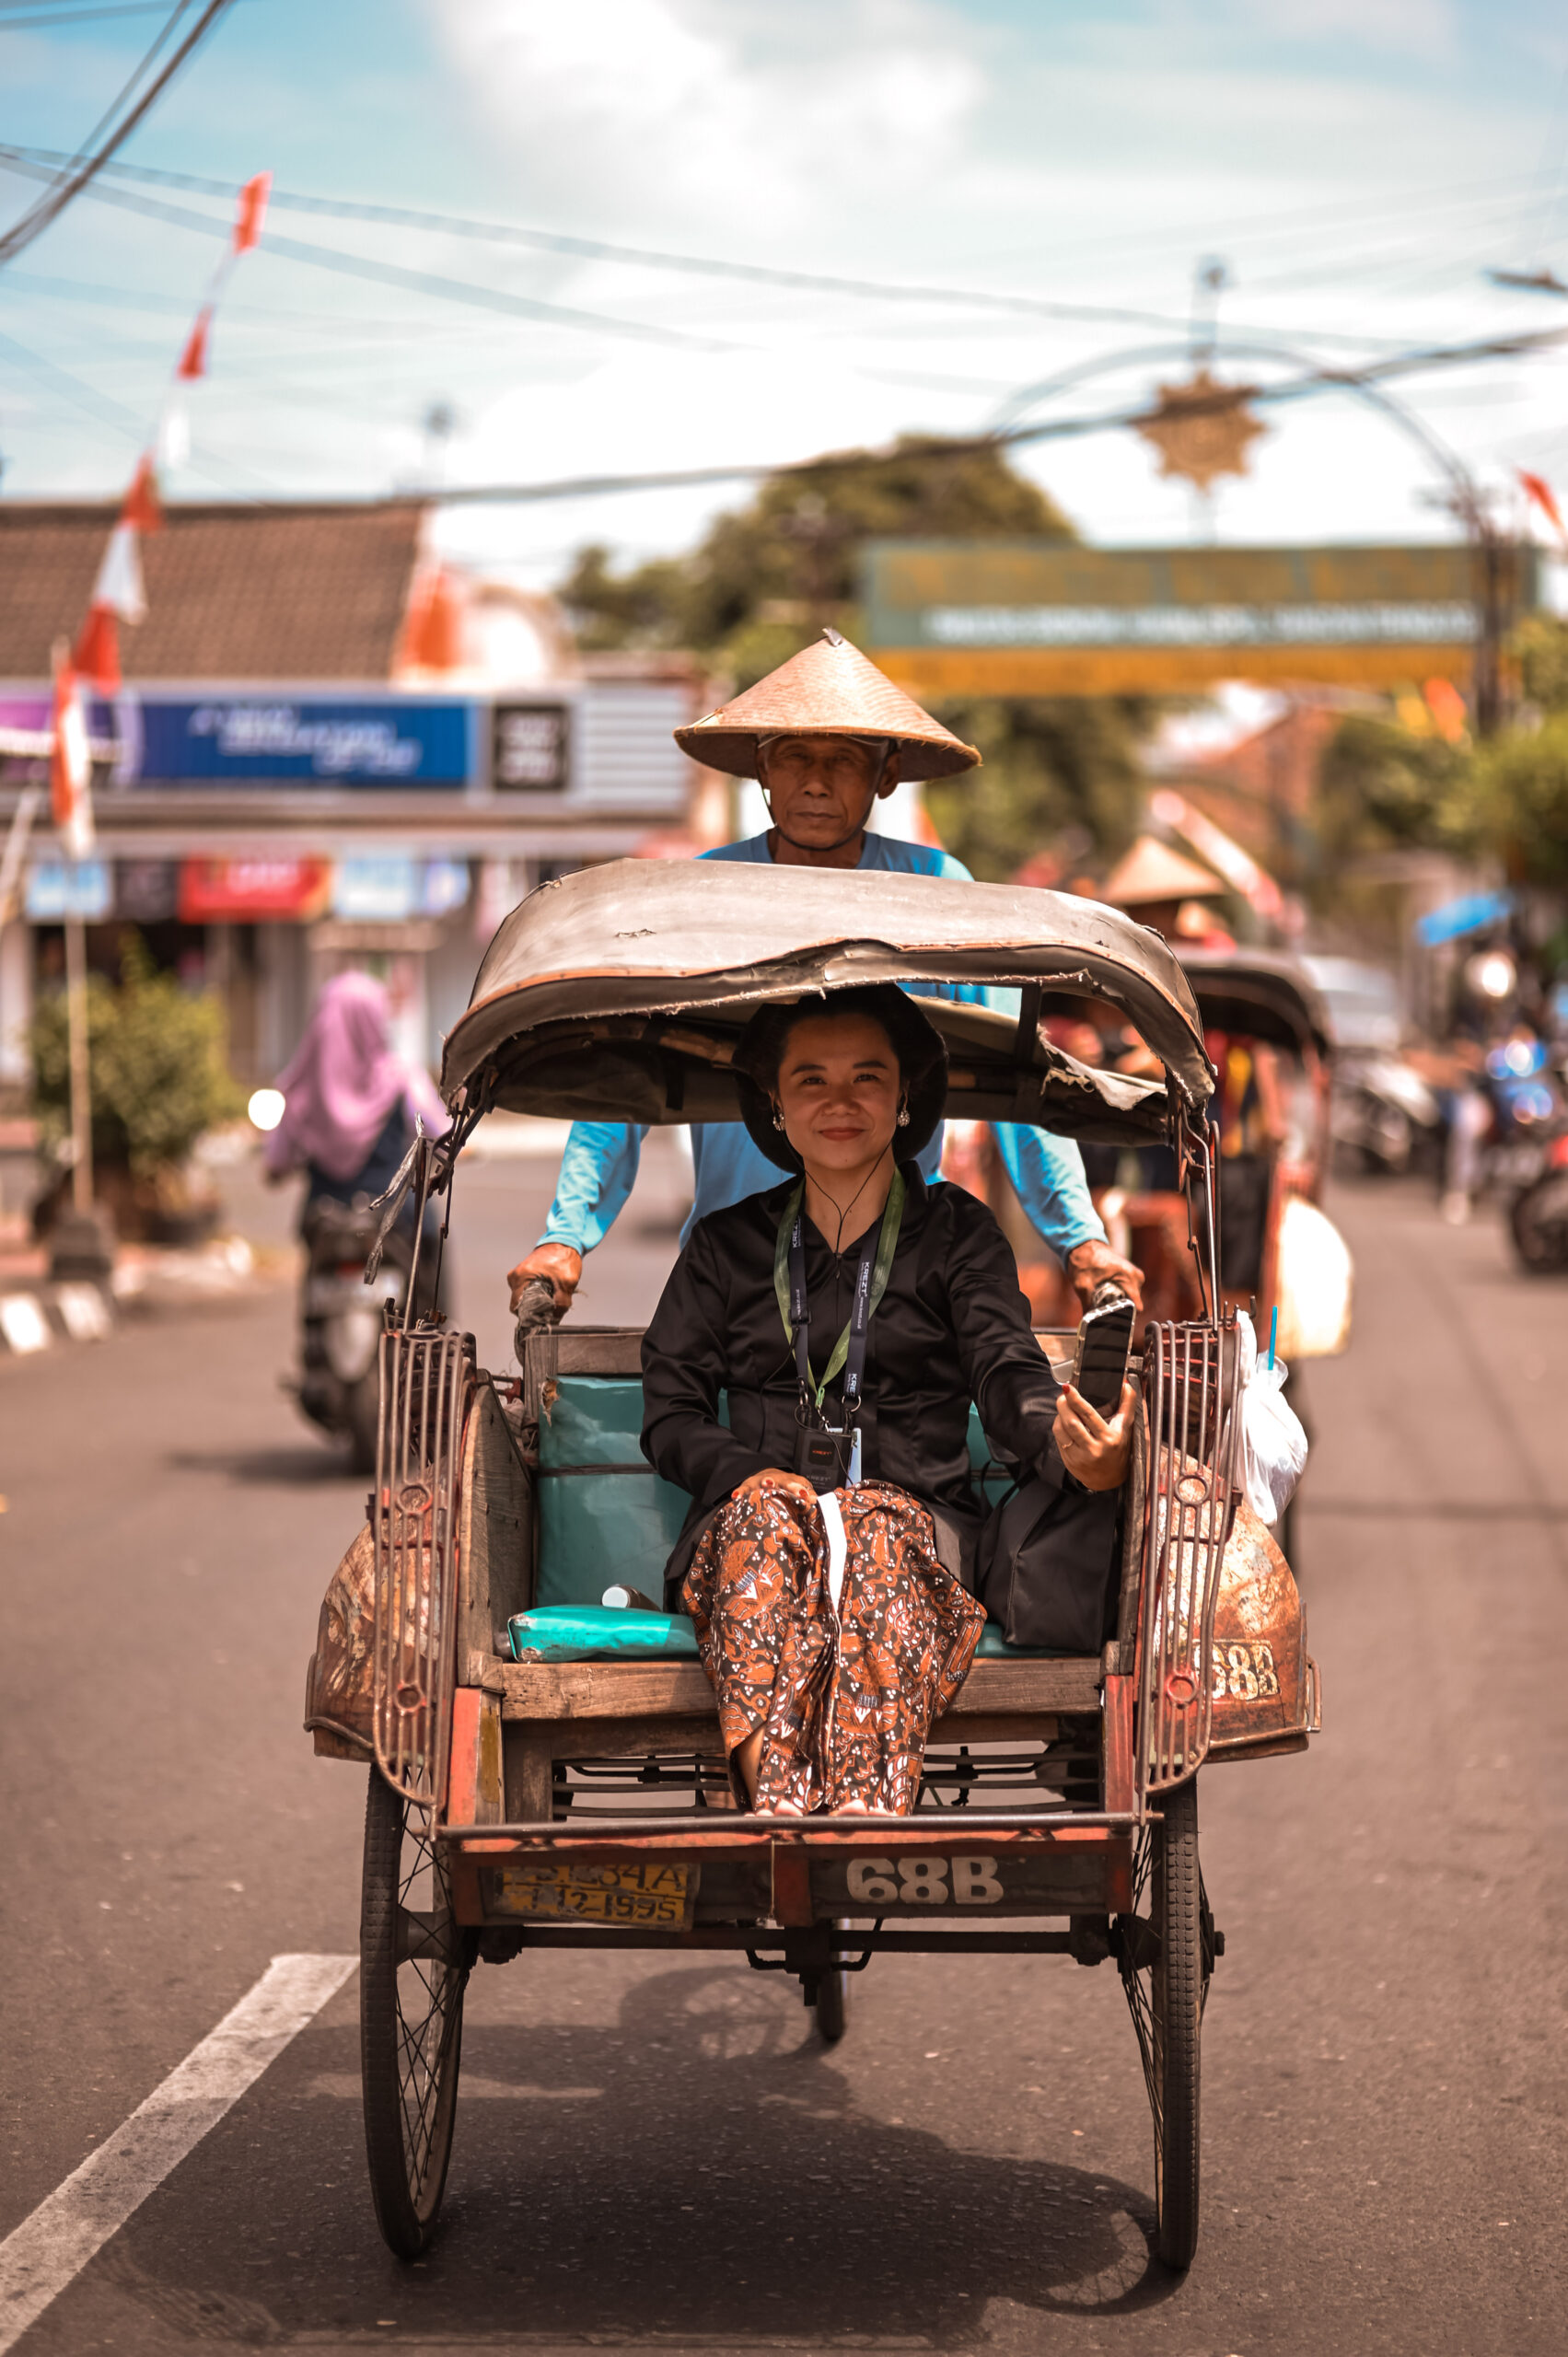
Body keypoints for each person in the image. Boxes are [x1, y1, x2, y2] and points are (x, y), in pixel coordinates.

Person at [507, 630, 1142, 1329]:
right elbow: (622, 1088)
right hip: (735, 1268)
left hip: (897, 1267)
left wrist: (1081, 1242)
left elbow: (1018, 1081)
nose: (815, 781)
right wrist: (563, 1237)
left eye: (842, 761)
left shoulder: (936, 891)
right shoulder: (699, 895)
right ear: (761, 770)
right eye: (795, 758)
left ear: (886, 773)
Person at [639, 984, 1135, 1817]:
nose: (840, 1102)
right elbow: (669, 1412)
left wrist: (1071, 1442)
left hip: (912, 1524)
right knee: (764, 1524)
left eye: (867, 1078)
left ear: (904, 1099)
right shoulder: (725, 1246)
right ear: (775, 1104)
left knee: (873, 1527)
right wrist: (748, 1479)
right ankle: (778, 1816)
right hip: (756, 1527)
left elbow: (1007, 1375)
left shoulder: (957, 1234)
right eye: (811, 1081)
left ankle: (864, 1816)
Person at [264, 970, 449, 1222]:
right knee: (431, 1241)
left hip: (323, 1216)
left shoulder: (303, 1088)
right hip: (393, 1216)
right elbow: (440, 1133)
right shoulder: (401, 1079)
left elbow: (277, 1163)